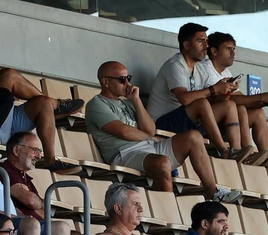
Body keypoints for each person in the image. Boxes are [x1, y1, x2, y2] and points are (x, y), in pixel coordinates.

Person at [85, 61, 238, 201]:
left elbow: (150, 130)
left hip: (147, 148)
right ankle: (168, 207)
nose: (128, 83)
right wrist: (151, 139)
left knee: (194, 137)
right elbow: (124, 132)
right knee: (162, 162)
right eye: (122, 80)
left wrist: (136, 101)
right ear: (106, 82)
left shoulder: (128, 103)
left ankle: (213, 192)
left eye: (128, 78)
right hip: (123, 153)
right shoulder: (97, 104)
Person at [145, 22, 243, 159]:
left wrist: (225, 91)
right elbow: (184, 99)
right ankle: (223, 150)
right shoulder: (175, 65)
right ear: (186, 45)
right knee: (201, 104)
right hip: (162, 123)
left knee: (229, 105)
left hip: (186, 120)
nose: (206, 46)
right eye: (200, 41)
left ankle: (236, 151)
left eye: (206, 41)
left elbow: (211, 100)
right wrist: (214, 88)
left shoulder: (198, 68)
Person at [198, 33, 268, 168]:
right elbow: (232, 100)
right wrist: (261, 97)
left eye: (234, 49)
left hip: (226, 123)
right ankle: (247, 154)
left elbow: (242, 98)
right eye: (228, 49)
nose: (233, 53)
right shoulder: (206, 69)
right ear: (214, 51)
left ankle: (266, 158)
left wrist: (265, 102)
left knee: (258, 113)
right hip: (207, 124)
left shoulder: (226, 73)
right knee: (238, 107)